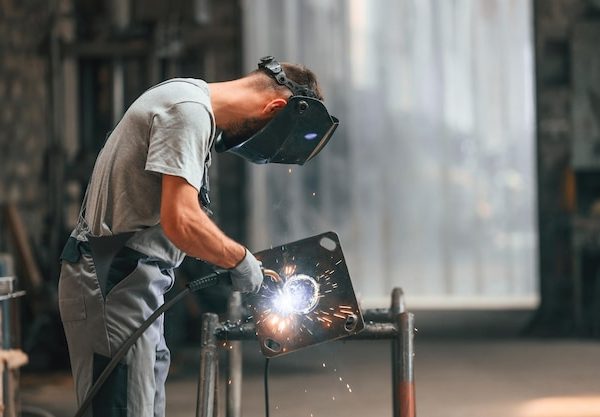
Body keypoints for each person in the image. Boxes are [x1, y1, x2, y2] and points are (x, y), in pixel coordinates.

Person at [58, 56, 338, 417]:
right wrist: (240, 259)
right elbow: (181, 220)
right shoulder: (188, 113)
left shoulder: (187, 101)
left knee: (140, 406)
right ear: (275, 106)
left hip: (133, 283)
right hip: (114, 282)